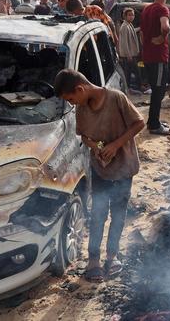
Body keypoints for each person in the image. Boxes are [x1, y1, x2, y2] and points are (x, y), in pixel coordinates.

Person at [53, 69, 145, 283]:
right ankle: (94, 259)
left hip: (123, 168)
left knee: (118, 214)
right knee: (98, 214)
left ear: (80, 89)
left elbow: (139, 123)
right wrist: (97, 147)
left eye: (71, 98)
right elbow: (84, 136)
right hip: (101, 169)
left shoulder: (116, 98)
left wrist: (115, 145)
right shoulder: (82, 108)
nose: (72, 103)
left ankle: (112, 256)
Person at [140, 0, 170, 135]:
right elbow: (165, 27)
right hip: (158, 57)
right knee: (159, 91)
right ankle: (154, 125)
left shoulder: (147, 8)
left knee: (156, 89)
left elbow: (141, 33)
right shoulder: (162, 9)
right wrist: (162, 37)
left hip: (148, 55)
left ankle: (154, 121)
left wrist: (146, 45)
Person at [118, 8, 142, 93]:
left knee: (130, 71)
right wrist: (128, 55)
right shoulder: (124, 26)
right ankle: (130, 88)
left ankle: (130, 87)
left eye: (133, 15)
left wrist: (140, 28)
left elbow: (133, 31)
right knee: (130, 72)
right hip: (128, 55)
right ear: (125, 16)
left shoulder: (129, 25)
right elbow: (124, 43)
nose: (132, 17)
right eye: (129, 15)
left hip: (131, 53)